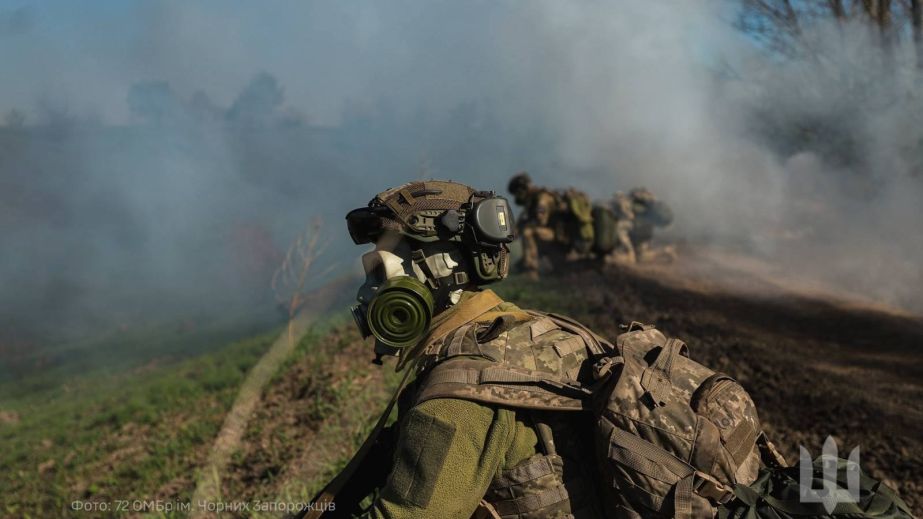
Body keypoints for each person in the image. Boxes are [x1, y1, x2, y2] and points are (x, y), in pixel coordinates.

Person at [332, 180, 607, 519]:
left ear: (441, 265)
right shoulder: (527, 330)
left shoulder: (456, 399)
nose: (368, 292)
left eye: (380, 270)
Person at [507, 172, 594, 278]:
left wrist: (521, 229)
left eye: (517, 193)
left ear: (522, 190)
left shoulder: (542, 200)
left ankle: (531, 271)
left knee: (529, 233)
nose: (517, 197)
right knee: (562, 270)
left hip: (559, 237)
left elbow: (540, 221)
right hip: (553, 237)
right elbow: (522, 222)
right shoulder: (532, 201)